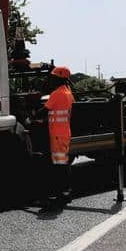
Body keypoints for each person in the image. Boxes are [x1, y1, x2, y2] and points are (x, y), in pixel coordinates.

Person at [45, 66, 75, 205]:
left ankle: (62, 193)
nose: (51, 80)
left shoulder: (57, 93)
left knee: (59, 165)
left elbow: (45, 109)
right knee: (63, 163)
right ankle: (66, 192)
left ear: (59, 78)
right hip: (64, 132)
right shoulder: (68, 92)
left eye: (53, 77)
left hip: (57, 134)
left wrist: (30, 119)